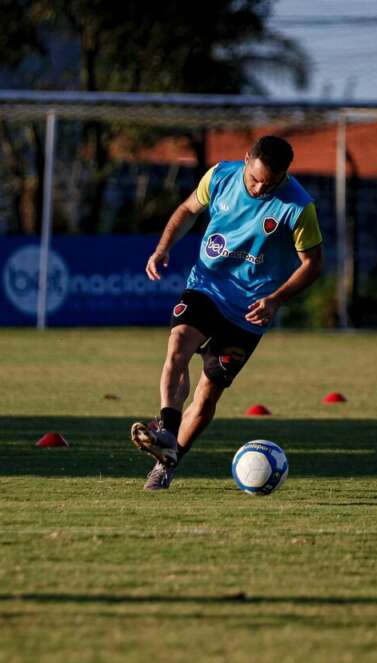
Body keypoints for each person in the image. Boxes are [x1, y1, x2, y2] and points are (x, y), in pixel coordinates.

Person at [130, 136, 323, 491]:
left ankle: (169, 463)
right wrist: (163, 248)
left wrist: (276, 299)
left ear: (285, 174)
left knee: (207, 394)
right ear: (246, 159)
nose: (260, 186)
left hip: (250, 309)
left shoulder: (298, 207)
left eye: (270, 182)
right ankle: (168, 432)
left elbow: (312, 265)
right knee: (178, 345)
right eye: (254, 178)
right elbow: (188, 209)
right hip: (207, 286)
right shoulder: (220, 175)